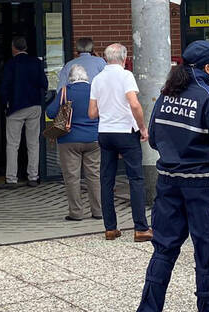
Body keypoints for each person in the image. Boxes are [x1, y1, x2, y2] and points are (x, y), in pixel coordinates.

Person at [134, 40, 209, 312]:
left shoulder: (167, 95)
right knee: (206, 257)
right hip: (204, 185)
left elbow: (153, 137)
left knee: (163, 251)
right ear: (208, 67)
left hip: (168, 182)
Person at [88, 43, 152, 242]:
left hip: (105, 132)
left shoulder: (98, 79)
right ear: (124, 59)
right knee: (136, 179)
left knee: (106, 180)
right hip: (125, 131)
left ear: (106, 59)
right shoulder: (126, 76)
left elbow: (92, 113)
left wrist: (107, 107)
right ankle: (140, 228)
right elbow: (134, 103)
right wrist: (142, 127)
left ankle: (110, 228)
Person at [46, 65, 102, 221]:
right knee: (94, 176)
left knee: (72, 177)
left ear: (70, 78)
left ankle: (76, 213)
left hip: (69, 139)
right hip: (94, 138)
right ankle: (98, 211)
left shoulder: (65, 91)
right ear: (86, 77)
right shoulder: (94, 90)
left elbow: (50, 112)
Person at [0, 36, 48, 189]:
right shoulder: (36, 63)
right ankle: (33, 177)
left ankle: (11, 179)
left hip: (16, 107)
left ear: (14, 48)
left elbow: (5, 86)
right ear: (25, 47)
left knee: (13, 144)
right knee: (33, 143)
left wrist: (5, 104)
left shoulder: (11, 64)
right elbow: (44, 83)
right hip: (34, 105)